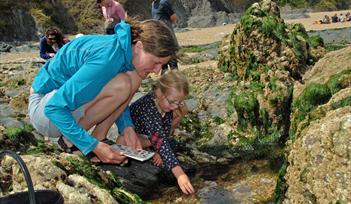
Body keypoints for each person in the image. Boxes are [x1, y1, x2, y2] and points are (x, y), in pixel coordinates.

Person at [28, 18, 179, 164]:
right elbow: (53, 108)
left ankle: (97, 137)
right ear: (139, 46)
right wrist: (93, 146)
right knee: (125, 82)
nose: (158, 71)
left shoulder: (121, 51)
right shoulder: (106, 58)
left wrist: (127, 128)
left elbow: (118, 96)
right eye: (156, 62)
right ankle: (73, 141)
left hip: (56, 109)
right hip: (44, 113)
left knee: (132, 78)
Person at [122, 70, 195, 194]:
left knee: (171, 144)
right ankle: (154, 146)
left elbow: (164, 133)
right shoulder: (148, 107)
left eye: (178, 103)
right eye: (172, 102)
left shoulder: (166, 106)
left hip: (151, 137)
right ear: (159, 91)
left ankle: (156, 147)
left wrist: (159, 151)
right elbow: (160, 139)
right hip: (133, 135)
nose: (173, 107)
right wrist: (180, 175)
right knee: (123, 141)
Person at [152, 0, 179, 73]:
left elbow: (173, 17)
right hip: (158, 32)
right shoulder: (154, 3)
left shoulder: (164, 2)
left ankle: (174, 71)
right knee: (162, 50)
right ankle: (165, 71)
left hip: (166, 31)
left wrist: (167, 26)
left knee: (170, 50)